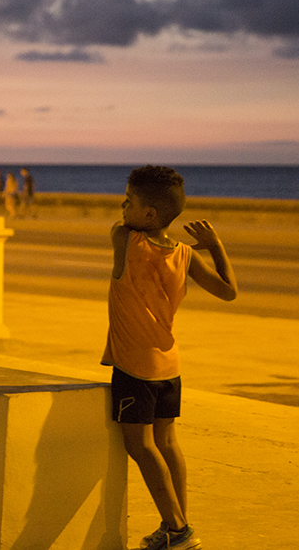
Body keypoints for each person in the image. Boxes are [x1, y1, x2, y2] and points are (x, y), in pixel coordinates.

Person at [102, 165, 237, 550]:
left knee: (140, 445)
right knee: (167, 442)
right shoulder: (184, 255)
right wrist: (215, 246)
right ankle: (175, 526)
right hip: (169, 366)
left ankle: (178, 531)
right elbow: (229, 291)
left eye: (129, 201)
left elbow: (123, 228)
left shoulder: (124, 239)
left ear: (148, 214)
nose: (122, 207)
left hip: (135, 366)